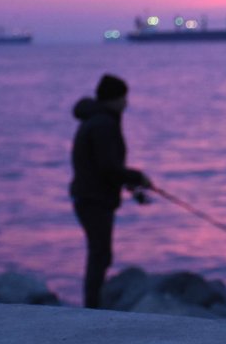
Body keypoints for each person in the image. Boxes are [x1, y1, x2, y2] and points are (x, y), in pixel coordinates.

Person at [70, 74, 152, 308]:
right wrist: (137, 177)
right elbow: (108, 167)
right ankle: (92, 307)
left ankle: (92, 304)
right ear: (114, 98)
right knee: (100, 254)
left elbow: (107, 167)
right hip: (93, 199)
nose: (126, 103)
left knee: (100, 253)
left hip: (91, 196)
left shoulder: (100, 120)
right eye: (123, 97)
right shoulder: (104, 124)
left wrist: (132, 189)